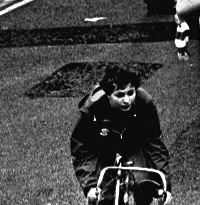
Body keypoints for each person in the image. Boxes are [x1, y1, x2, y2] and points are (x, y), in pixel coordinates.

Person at [70, 63, 171, 205]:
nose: (127, 100)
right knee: (103, 198)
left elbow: (154, 145)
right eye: (119, 95)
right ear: (108, 95)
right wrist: (90, 185)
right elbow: (82, 150)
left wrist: (164, 184)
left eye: (131, 93)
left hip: (133, 144)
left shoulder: (145, 103)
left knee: (144, 185)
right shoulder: (92, 108)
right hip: (102, 148)